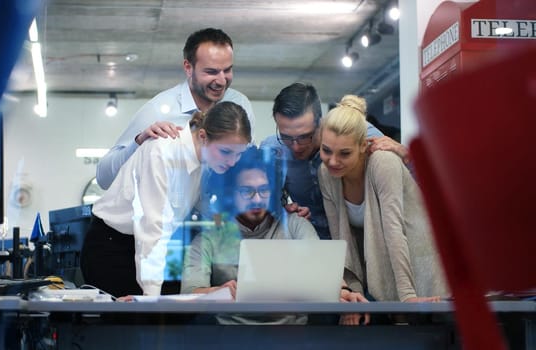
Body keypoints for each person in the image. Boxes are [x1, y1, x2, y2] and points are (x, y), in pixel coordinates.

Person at [80, 101, 251, 298]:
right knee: (141, 320)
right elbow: (152, 227)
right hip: (111, 248)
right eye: (226, 152)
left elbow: (208, 206)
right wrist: (151, 298)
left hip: (154, 249)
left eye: (238, 154)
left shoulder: (207, 159)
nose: (232, 162)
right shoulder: (162, 152)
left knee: (180, 314)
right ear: (203, 136)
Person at [181, 146, 369, 325]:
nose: (257, 199)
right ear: (230, 193)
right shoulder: (210, 237)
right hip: (231, 333)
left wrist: (343, 292)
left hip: (293, 333)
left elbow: (321, 272)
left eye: (264, 190)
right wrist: (216, 292)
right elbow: (188, 293)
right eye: (247, 191)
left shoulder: (295, 225)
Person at [318, 95, 447, 302]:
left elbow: (394, 230)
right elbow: (341, 241)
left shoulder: (382, 163)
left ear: (363, 145)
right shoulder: (326, 174)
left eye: (344, 153)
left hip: (420, 268)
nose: (333, 161)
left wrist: (407, 296)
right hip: (384, 275)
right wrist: (352, 292)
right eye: (326, 150)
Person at [96, 28, 256, 190]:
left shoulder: (239, 103)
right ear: (188, 67)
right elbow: (104, 179)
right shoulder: (158, 110)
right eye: (211, 72)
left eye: (227, 70)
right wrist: (139, 142)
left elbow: (245, 164)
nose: (222, 81)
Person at [260, 82, 410, 239]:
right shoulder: (273, 150)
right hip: (313, 244)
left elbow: (414, 186)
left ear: (320, 122)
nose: (295, 147)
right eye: (286, 137)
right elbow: (265, 209)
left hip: (364, 241)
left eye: (304, 136)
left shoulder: (355, 133)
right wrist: (285, 213)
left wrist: (406, 156)